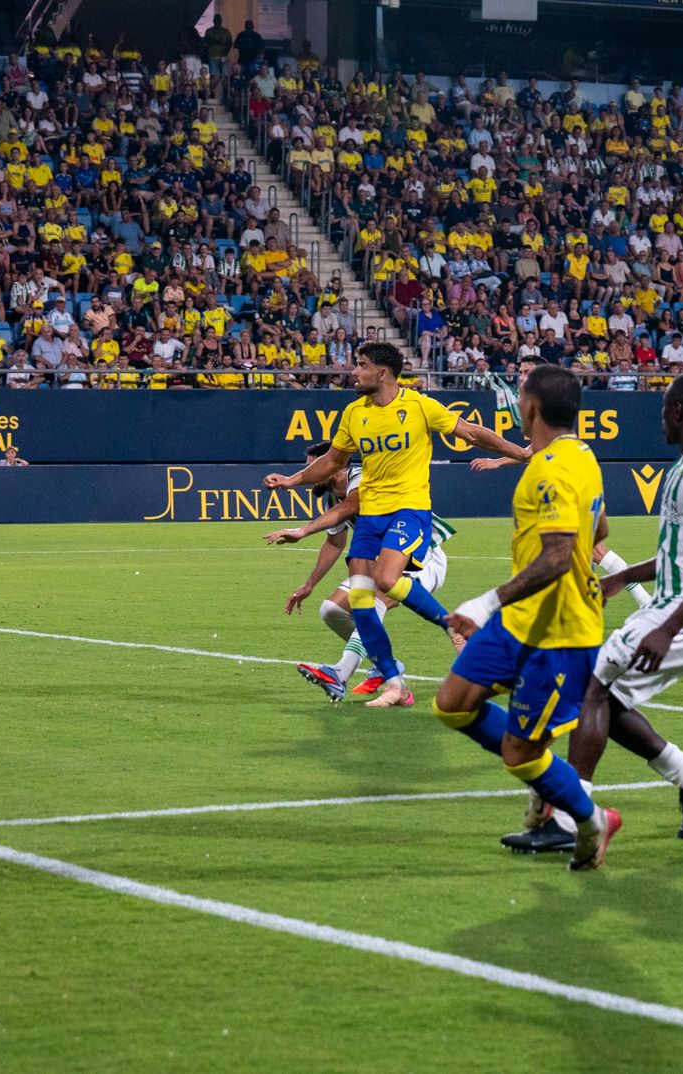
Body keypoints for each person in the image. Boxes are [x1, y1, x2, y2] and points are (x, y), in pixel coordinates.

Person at [512, 374, 683, 852]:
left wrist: (667, 629)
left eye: (663, 408)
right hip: (669, 606)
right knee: (605, 702)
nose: (660, 417)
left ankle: (574, 821)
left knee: (589, 688)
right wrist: (622, 577)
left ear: (678, 411)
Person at [264, 342, 527, 707]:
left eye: (361, 365)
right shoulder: (355, 413)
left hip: (409, 509)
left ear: (383, 373)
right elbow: (332, 460)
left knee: (386, 581)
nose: (353, 371)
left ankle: (452, 624)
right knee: (359, 598)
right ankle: (392, 681)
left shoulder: (420, 406)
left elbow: (471, 434)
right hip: (372, 515)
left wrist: (521, 452)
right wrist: (292, 480)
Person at [436, 365, 621, 872]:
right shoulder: (580, 454)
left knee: (520, 754)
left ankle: (589, 819)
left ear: (531, 408)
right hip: (523, 618)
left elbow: (559, 556)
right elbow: (599, 525)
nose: (518, 404)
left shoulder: (551, 469)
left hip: (558, 627)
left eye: (520, 397)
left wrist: (484, 602)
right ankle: (551, 783)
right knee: (452, 705)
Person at [264, 442, 455, 703]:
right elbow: (335, 542)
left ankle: (340, 675)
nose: (309, 474)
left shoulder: (364, 479)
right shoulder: (334, 495)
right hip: (382, 560)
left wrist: (303, 530)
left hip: (421, 557)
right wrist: (309, 585)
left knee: (372, 602)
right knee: (331, 610)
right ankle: (387, 668)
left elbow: (351, 507)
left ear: (334, 465)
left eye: (314, 467)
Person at [471, 355, 651, 612]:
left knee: (590, 551)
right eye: (520, 372)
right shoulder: (553, 411)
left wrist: (497, 462)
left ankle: (641, 600)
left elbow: (527, 452)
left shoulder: (546, 410)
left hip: (564, 475)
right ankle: (610, 597)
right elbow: (530, 451)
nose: (522, 377)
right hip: (576, 467)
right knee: (591, 549)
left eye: (528, 372)